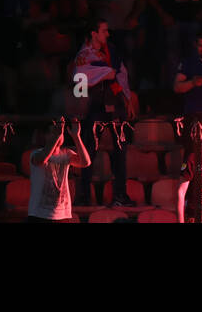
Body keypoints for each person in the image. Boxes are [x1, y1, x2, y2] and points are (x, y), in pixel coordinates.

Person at [72, 20, 136, 207]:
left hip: (115, 105)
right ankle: (84, 197)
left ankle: (120, 196)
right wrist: (100, 75)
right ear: (93, 33)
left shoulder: (112, 51)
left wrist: (128, 98)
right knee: (88, 152)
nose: (108, 34)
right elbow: (79, 85)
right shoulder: (83, 56)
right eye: (104, 31)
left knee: (120, 152)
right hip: (95, 108)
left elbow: (120, 74)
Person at [28, 117, 92, 222]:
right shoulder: (35, 153)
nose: (58, 134)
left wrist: (76, 137)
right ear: (45, 136)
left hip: (62, 213)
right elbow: (42, 159)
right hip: (39, 214)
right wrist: (56, 136)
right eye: (53, 132)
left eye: (60, 131)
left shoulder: (66, 153)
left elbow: (86, 162)